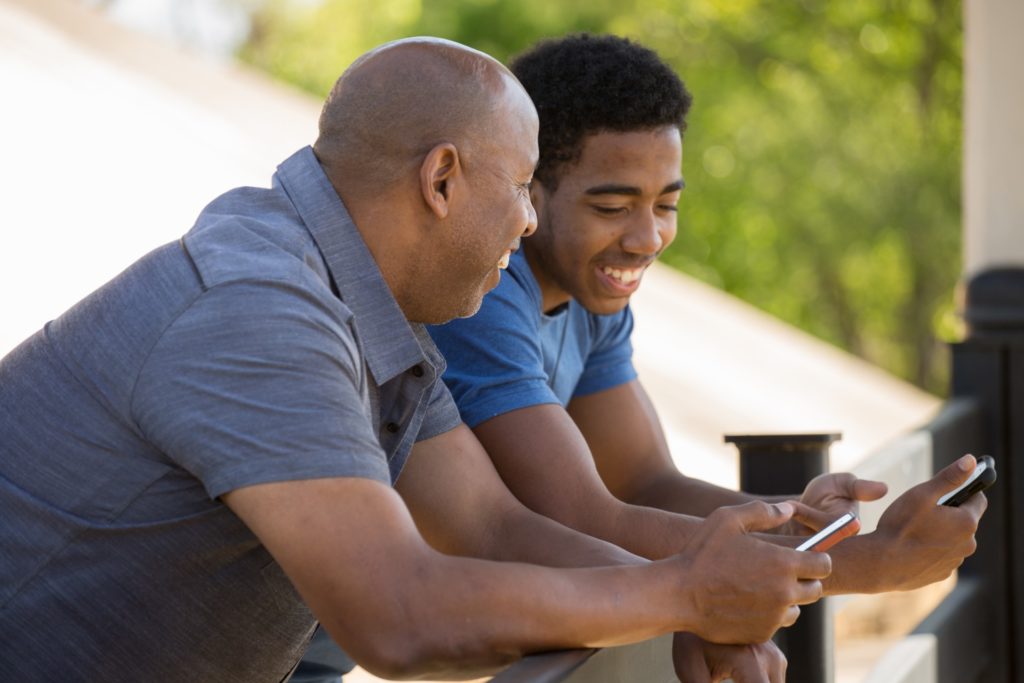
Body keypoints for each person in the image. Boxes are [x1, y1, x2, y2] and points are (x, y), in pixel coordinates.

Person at [0, 38, 832, 683]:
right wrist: (682, 594)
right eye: (520, 187)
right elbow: (397, 616)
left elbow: (492, 527)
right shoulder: (259, 307)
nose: (529, 225)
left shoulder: (371, 309)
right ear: (442, 179)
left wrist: (695, 604)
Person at [427, 29, 986, 630]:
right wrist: (860, 564)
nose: (646, 240)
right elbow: (581, 515)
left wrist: (793, 520)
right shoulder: (482, 293)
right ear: (528, 190)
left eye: (666, 205)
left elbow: (647, 484)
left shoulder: (593, 293)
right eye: (611, 209)